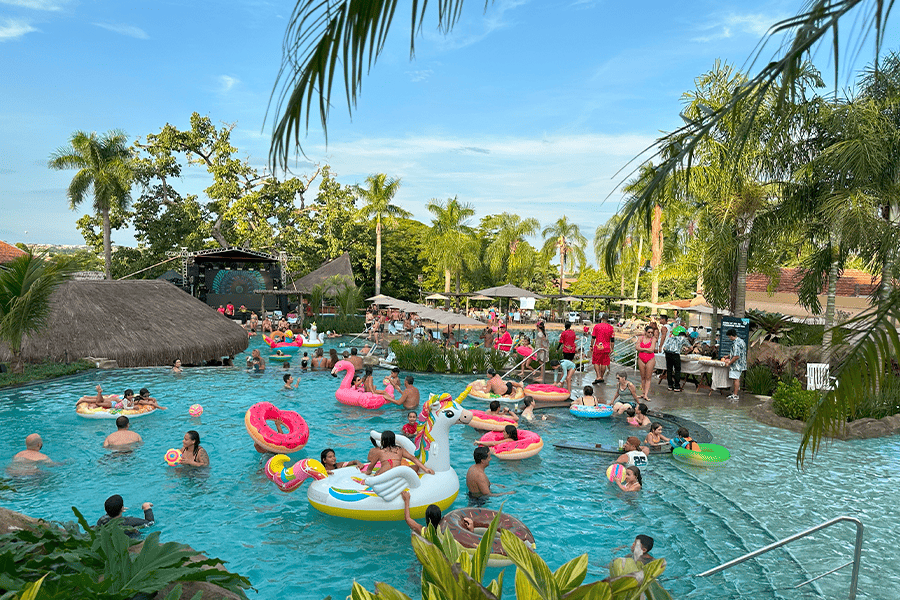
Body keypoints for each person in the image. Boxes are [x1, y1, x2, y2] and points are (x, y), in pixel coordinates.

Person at [364, 430, 433, 476]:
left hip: (385, 475)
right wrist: (425, 469)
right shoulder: (400, 450)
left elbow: (372, 465)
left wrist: (368, 472)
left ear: (383, 441)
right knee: (416, 467)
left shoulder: (379, 451)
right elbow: (413, 458)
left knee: (378, 472)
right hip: (397, 474)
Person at [661, 327, 689, 392]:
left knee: (669, 370)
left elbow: (664, 347)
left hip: (667, 354)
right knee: (677, 370)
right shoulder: (683, 339)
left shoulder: (670, 338)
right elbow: (690, 347)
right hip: (675, 355)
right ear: (684, 335)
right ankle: (677, 386)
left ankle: (670, 386)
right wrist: (686, 352)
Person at [635, 326, 658, 400]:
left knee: (648, 377)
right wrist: (646, 349)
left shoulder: (653, 339)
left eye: (652, 332)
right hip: (641, 358)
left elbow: (652, 350)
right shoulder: (640, 338)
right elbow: (636, 347)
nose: (650, 334)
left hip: (650, 358)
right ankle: (643, 392)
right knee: (642, 377)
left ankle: (646, 394)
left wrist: (642, 349)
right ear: (645, 332)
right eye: (649, 332)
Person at [724, 328, 747, 401]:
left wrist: (729, 363)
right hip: (741, 364)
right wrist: (728, 356)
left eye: (729, 337)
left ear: (731, 336)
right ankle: (735, 393)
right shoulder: (741, 341)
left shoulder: (736, 344)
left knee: (736, 379)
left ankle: (735, 395)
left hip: (737, 365)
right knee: (736, 378)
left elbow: (737, 356)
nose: (729, 338)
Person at [591, 314, 615, 384]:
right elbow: (612, 340)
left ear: (602, 318)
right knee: (604, 363)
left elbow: (593, 337)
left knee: (596, 362)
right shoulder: (611, 328)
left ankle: (598, 376)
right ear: (607, 319)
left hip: (598, 347)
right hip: (606, 347)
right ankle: (601, 376)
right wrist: (612, 348)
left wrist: (591, 345)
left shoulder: (597, 326)